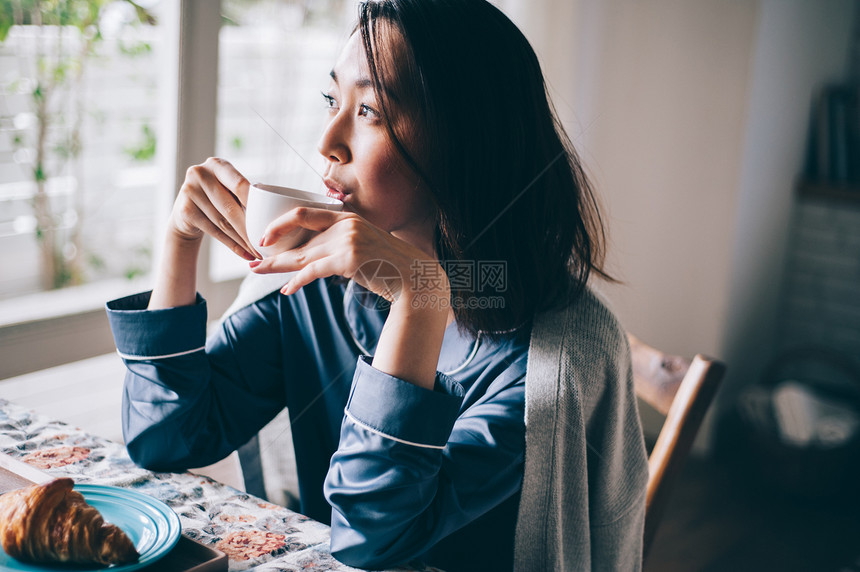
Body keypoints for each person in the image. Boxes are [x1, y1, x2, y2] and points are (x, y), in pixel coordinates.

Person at [106, 0, 648, 570]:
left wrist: (423, 297)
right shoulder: (321, 288)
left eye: (369, 110)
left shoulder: (540, 369)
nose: (327, 141)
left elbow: (373, 540)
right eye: (331, 100)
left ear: (465, 138)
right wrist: (179, 240)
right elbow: (165, 437)